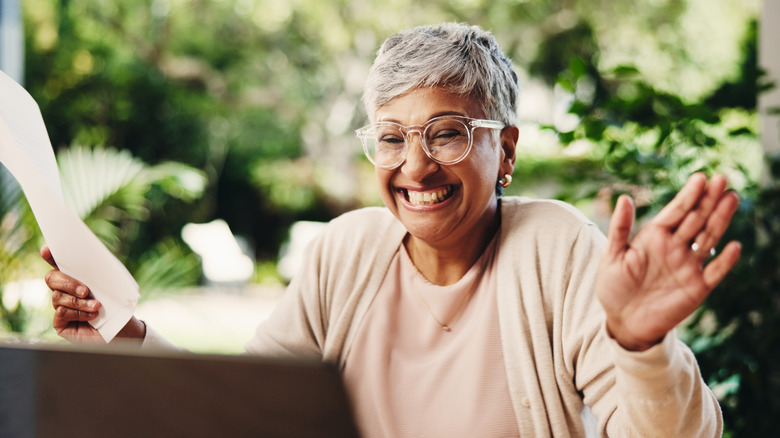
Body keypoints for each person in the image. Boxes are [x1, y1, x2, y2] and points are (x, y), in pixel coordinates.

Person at [43, 22, 740, 437]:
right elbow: (244, 411)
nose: (416, 165)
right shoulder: (344, 252)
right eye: (391, 137)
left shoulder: (557, 249)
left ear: (507, 150)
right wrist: (124, 334)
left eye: (447, 132)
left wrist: (640, 345)